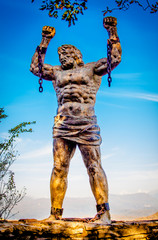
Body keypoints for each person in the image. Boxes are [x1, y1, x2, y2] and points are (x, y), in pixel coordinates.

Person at [30, 17, 122, 224]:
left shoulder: (91, 68)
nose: (62, 58)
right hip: (62, 123)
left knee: (93, 166)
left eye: (66, 54)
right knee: (59, 167)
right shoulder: (56, 72)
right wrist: (44, 41)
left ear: (76, 54)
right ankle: (54, 215)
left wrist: (112, 31)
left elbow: (114, 59)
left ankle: (103, 213)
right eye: (60, 55)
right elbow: (35, 68)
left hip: (86, 121)